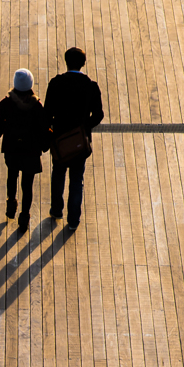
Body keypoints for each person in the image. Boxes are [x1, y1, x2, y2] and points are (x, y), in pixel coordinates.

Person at [44, 46, 104, 231]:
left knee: (58, 173)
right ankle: (73, 220)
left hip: (60, 140)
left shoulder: (56, 83)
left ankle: (56, 210)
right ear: (83, 63)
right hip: (80, 141)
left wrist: (52, 129)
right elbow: (99, 114)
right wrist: (84, 127)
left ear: (66, 61)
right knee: (77, 178)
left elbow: (47, 113)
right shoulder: (91, 86)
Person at [0, 68, 47, 232]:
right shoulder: (36, 106)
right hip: (31, 151)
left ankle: (11, 205)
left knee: (12, 175)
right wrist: (44, 145)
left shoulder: (7, 103)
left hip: (12, 148)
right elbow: (44, 128)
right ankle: (24, 216)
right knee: (27, 184)